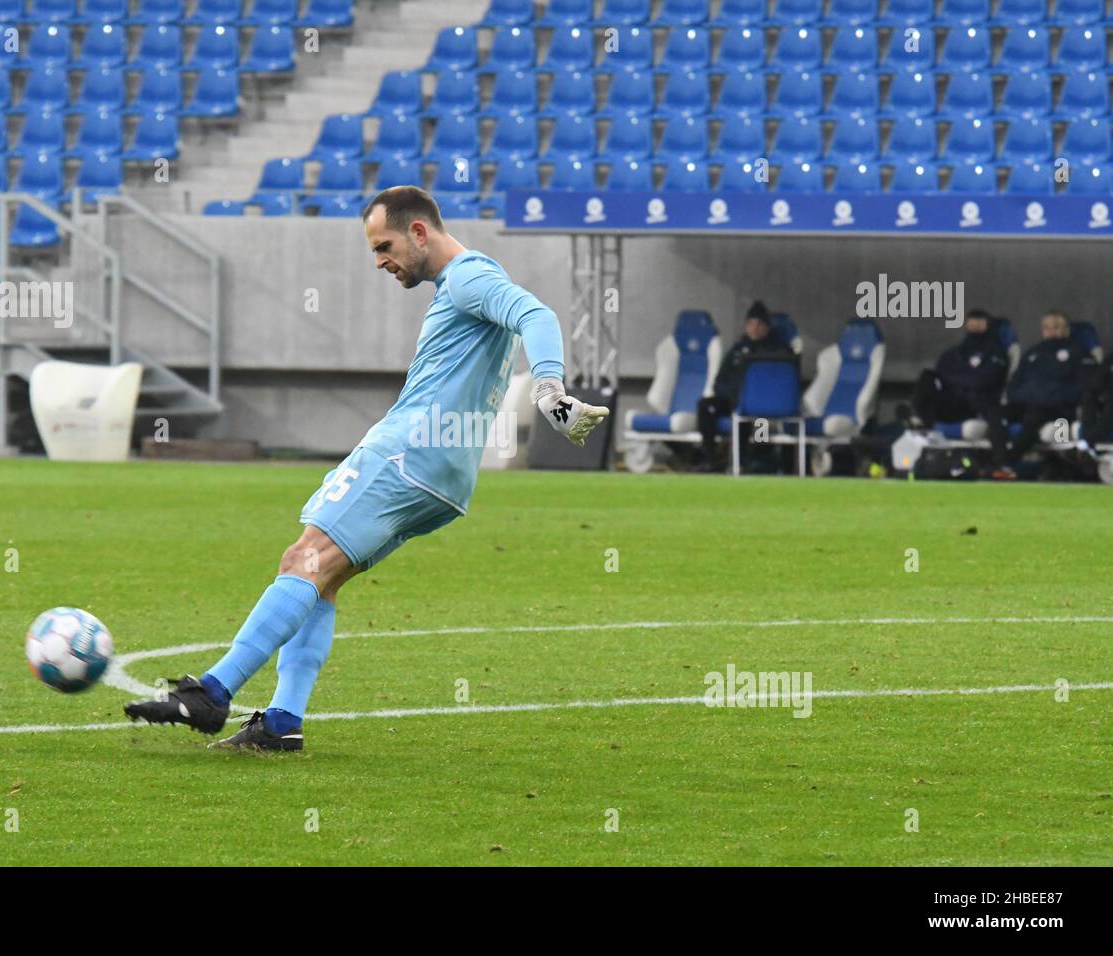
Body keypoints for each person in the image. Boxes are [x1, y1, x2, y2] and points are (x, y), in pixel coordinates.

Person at [124, 186, 609, 751]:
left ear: (419, 232)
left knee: (301, 559)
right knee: (322, 581)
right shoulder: (469, 283)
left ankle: (212, 692)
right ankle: (282, 723)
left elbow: (539, 312)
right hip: (445, 478)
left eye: (384, 245)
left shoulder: (469, 277)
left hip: (406, 456)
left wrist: (550, 390)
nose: (380, 260)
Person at [988, 311, 1095, 480]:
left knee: (1034, 417)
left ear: (1066, 329)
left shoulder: (1079, 354)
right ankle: (1001, 462)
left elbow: (1083, 388)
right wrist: (1026, 397)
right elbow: (1014, 385)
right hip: (1027, 404)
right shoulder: (1033, 354)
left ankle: (1007, 463)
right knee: (995, 413)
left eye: (1056, 327)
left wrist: (1049, 398)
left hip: (1058, 409)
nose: (1051, 331)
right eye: (1047, 327)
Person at [695, 301, 796, 471]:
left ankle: (747, 461)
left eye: (758, 324)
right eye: (750, 324)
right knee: (706, 406)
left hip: (763, 404)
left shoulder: (777, 351)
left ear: (767, 327)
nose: (754, 329)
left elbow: (782, 383)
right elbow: (720, 381)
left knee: (753, 419)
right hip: (733, 399)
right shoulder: (738, 349)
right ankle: (711, 458)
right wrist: (733, 395)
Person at [897, 308, 1008, 431]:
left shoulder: (995, 354)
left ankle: (920, 418)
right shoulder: (958, 351)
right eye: (972, 320)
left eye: (979, 321)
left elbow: (981, 381)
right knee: (928, 376)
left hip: (972, 406)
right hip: (951, 399)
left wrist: (956, 377)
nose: (974, 325)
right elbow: (942, 370)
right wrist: (964, 376)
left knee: (942, 398)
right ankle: (915, 413)